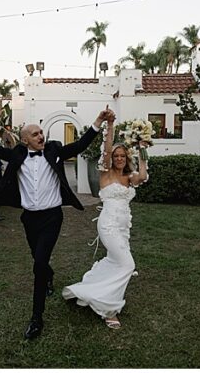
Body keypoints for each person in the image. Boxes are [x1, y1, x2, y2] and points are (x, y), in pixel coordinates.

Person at [0, 101, 110, 340]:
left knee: (38, 263)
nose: (41, 136)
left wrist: (98, 122)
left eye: (41, 132)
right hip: (29, 218)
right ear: (25, 140)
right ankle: (48, 274)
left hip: (52, 217)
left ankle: (36, 318)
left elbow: (80, 145)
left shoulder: (53, 150)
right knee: (38, 260)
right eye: (35, 134)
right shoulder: (18, 155)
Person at [63, 111, 149, 329]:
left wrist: (142, 148)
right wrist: (110, 126)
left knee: (115, 261)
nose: (119, 158)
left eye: (122, 156)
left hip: (123, 226)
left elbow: (143, 175)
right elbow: (107, 148)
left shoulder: (129, 178)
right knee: (128, 265)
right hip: (108, 224)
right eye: (116, 156)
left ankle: (91, 287)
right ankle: (108, 309)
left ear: (127, 158)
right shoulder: (105, 173)